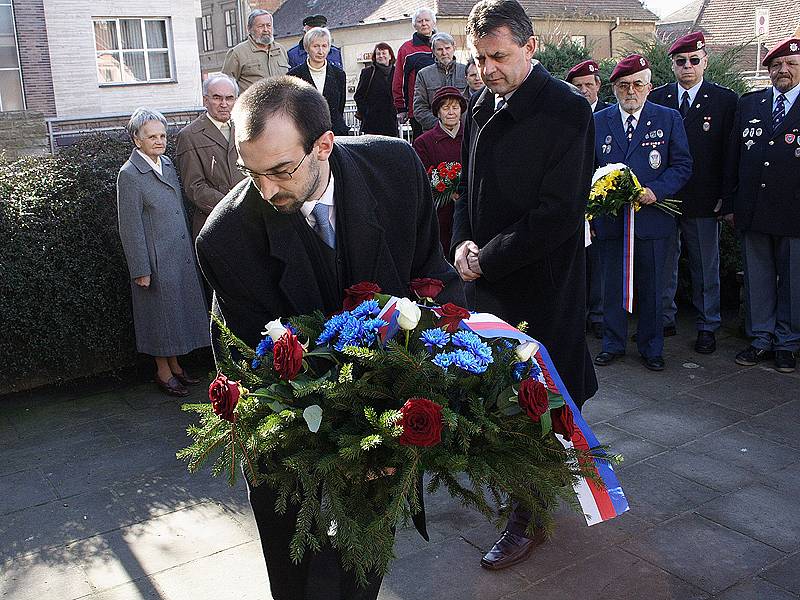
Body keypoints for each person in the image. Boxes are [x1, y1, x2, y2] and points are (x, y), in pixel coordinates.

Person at [195, 76, 465, 600]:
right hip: (287, 430)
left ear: (324, 144)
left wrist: (414, 409)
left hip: (380, 417)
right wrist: (359, 444)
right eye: (251, 174)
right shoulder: (226, 239)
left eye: (279, 171)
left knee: (364, 563)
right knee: (303, 576)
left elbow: (430, 275)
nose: (266, 191)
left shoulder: (395, 168)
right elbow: (267, 372)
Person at [452, 0, 598, 570]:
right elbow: (467, 187)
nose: (488, 69)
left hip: (544, 285)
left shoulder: (566, 109)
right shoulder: (483, 103)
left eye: (499, 57)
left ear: (530, 48)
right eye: (481, 57)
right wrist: (463, 241)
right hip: (489, 286)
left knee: (540, 399)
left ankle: (529, 515)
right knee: (503, 399)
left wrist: (485, 259)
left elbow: (558, 214)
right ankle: (523, 489)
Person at [592, 55, 692, 371]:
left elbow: (682, 165)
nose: (630, 91)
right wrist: (594, 209)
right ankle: (612, 343)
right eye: (623, 86)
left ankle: (652, 347)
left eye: (637, 84)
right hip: (612, 220)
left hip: (652, 219)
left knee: (652, 286)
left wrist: (656, 190)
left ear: (649, 87)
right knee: (612, 284)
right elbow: (588, 169)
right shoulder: (599, 121)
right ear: (614, 89)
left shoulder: (668, 119)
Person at [649, 32, 737, 354]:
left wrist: (727, 198)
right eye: (680, 62)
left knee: (704, 267)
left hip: (704, 199)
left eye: (694, 61)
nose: (687, 67)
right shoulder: (658, 98)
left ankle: (707, 325)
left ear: (705, 62)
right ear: (672, 66)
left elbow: (731, 154)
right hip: (665, 199)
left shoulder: (725, 101)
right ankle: (664, 318)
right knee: (664, 263)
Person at [116, 108, 210, 397]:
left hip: (178, 253)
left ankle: (176, 366)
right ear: (136, 140)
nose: (159, 141)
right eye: (151, 136)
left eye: (162, 135)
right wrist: (141, 270)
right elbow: (129, 227)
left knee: (176, 313)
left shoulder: (167, 163)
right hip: (155, 260)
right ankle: (163, 371)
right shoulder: (130, 175)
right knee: (159, 316)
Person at [723, 37, 800, 374]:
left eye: (791, 64)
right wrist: (729, 201)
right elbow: (733, 157)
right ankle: (761, 338)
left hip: (795, 212)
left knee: (794, 279)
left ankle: (788, 343)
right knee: (758, 279)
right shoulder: (750, 104)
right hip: (753, 208)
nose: (782, 70)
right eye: (776, 65)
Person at [567, 59, 611, 339]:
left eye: (588, 85)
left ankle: (597, 315)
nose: (584, 90)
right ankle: (576, 314)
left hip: (602, 202)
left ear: (598, 86)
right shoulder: (567, 115)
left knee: (599, 264)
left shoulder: (608, 115)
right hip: (573, 202)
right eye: (578, 86)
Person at [176, 74, 245, 240]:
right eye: (217, 98)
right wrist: (232, 206)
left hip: (251, 222)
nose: (224, 104)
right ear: (205, 100)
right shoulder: (189, 136)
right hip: (215, 224)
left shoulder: (246, 127)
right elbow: (194, 187)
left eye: (229, 98)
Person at [412, 86, 466, 254]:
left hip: (467, 207)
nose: (451, 112)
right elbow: (423, 177)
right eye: (446, 108)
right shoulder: (424, 142)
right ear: (438, 112)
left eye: (455, 107)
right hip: (441, 211)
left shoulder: (471, 136)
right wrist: (447, 192)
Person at [287, 27, 350, 136]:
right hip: (305, 134)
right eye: (316, 46)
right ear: (307, 48)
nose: (320, 51)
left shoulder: (339, 75)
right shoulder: (294, 76)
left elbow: (340, 107)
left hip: (334, 133)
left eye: (324, 46)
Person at [392, 7, 436, 139]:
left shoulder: (443, 45)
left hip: (444, 107)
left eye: (427, 20)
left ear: (434, 23)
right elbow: (399, 80)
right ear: (414, 25)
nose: (424, 23)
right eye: (420, 21)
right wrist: (401, 108)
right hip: (418, 110)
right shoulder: (406, 49)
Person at [222, 10, 289, 92]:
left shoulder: (281, 50)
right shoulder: (237, 53)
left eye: (268, 25)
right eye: (260, 26)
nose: (265, 30)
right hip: (252, 104)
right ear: (249, 29)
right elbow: (225, 86)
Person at [413, 32, 468, 131]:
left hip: (464, 132)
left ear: (454, 48)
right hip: (434, 134)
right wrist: (441, 125)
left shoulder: (466, 71)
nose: (444, 53)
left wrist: (460, 125)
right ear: (433, 51)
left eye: (447, 48)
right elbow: (419, 108)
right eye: (439, 49)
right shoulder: (423, 74)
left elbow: (473, 101)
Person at [353, 42, 397, 137]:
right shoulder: (368, 72)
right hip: (372, 121)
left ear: (390, 56)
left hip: (391, 120)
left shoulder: (397, 72)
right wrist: (366, 112)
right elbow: (358, 95)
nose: (381, 56)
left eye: (384, 53)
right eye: (378, 54)